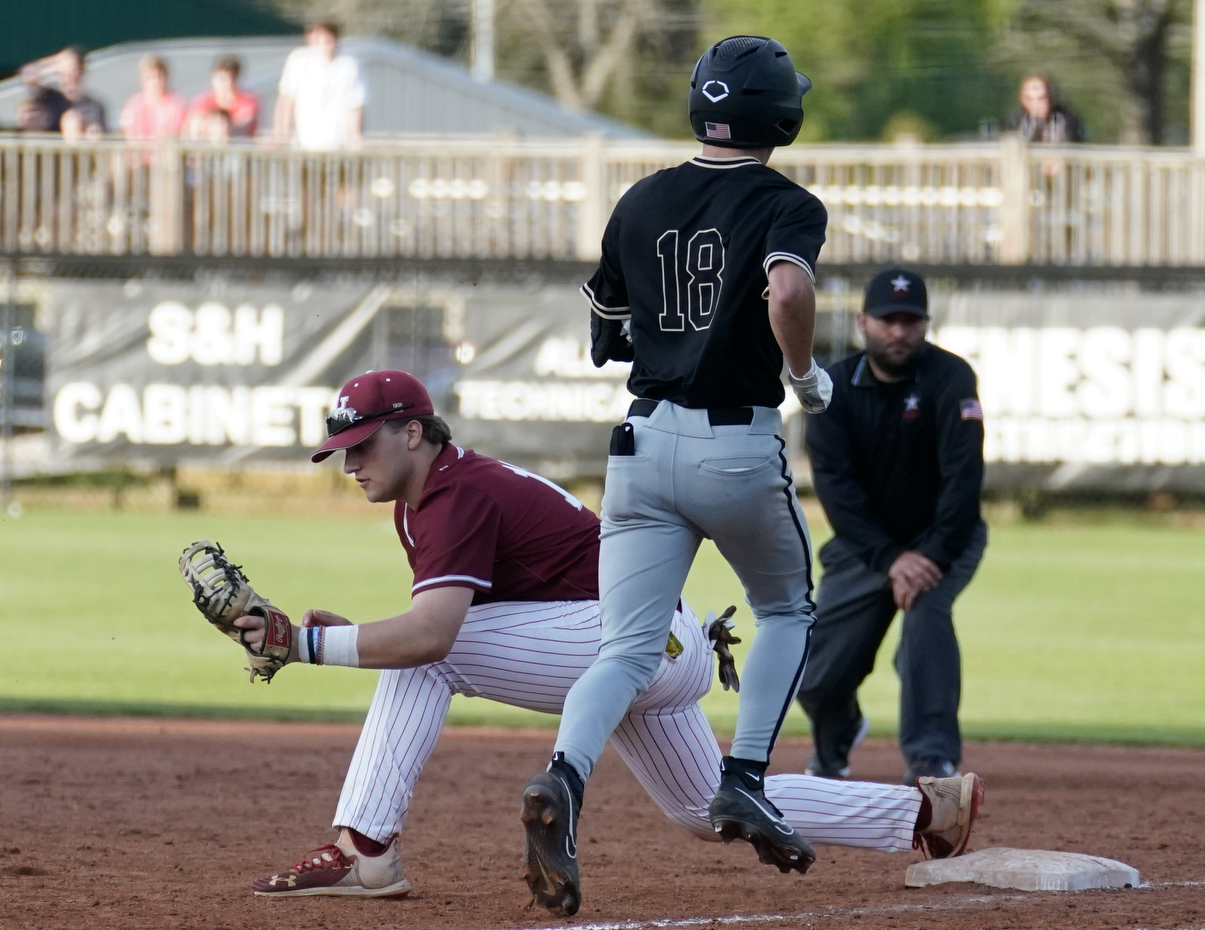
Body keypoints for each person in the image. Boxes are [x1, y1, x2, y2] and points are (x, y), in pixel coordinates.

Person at [232, 370, 983, 902]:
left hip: (634, 643)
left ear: (416, 432)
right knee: (703, 809)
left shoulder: (456, 496)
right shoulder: (435, 493)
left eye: (363, 446)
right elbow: (443, 628)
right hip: (640, 645)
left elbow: (432, 637)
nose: (350, 463)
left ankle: (365, 849)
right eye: (344, 451)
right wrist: (346, 638)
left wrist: (301, 644)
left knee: (436, 652)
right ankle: (927, 813)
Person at [519, 34, 837, 917]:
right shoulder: (788, 203)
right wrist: (806, 377)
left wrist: (641, 336)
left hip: (640, 445)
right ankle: (743, 776)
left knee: (624, 647)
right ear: (782, 117)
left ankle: (563, 779)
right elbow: (787, 295)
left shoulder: (643, 196)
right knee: (784, 608)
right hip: (735, 441)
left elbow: (602, 326)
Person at [799, 268, 987, 786]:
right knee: (815, 676)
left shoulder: (951, 379)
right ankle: (837, 739)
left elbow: (964, 479)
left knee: (926, 624)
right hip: (867, 548)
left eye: (910, 320)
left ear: (926, 324)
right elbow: (836, 490)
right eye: (887, 320)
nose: (899, 331)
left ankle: (932, 759)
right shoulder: (831, 388)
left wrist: (927, 557)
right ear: (864, 322)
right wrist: (889, 559)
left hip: (943, 542)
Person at [273, 21, 365, 151]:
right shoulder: (298, 61)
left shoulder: (348, 65)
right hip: (304, 143)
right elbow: (286, 98)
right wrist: (281, 132)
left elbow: (356, 104)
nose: (323, 44)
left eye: (328, 39)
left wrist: (355, 137)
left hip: (338, 144)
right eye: (317, 39)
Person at [15, 46, 107, 138]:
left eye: (73, 66)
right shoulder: (49, 97)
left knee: (72, 119)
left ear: (80, 70)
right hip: (49, 150)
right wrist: (53, 63)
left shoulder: (92, 105)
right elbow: (27, 75)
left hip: (77, 149)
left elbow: (96, 133)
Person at [186, 56, 259, 139]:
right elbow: (193, 122)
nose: (226, 84)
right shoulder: (204, 99)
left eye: (230, 79)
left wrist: (220, 124)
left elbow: (243, 124)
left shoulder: (247, 100)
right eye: (221, 79)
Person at [119, 55, 186, 141]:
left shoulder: (177, 103)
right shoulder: (133, 105)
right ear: (142, 79)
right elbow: (129, 134)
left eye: (159, 76)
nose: (155, 81)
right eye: (150, 77)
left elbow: (178, 133)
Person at [1007, 73, 1085, 144]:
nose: (1036, 105)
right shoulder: (1017, 119)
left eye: (1042, 98)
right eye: (1030, 99)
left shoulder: (1066, 119)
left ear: (1052, 98)